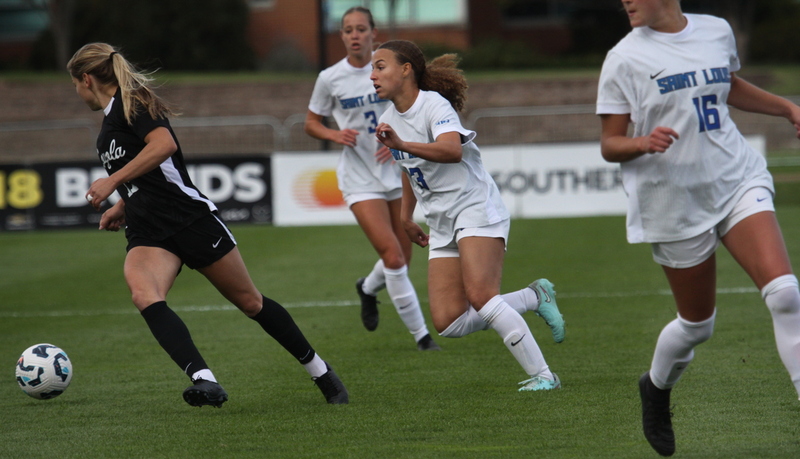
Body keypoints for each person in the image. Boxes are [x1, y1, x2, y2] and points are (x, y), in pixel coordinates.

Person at [68, 43, 349, 407]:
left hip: (188, 218)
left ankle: (321, 371)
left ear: (86, 79)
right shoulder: (107, 126)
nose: (75, 92)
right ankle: (205, 380)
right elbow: (149, 174)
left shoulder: (133, 101)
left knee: (250, 302)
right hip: (148, 229)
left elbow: (164, 145)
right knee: (144, 294)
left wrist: (111, 181)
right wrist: (123, 201)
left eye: (74, 84)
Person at [597, 0, 800, 455]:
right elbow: (610, 144)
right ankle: (656, 387)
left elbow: (725, 85)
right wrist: (641, 142)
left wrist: (786, 107)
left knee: (786, 294)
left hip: (735, 177)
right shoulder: (624, 58)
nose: (625, 1)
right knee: (697, 325)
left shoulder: (715, 30)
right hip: (672, 199)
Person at [370, 40, 566, 392]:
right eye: (372, 68)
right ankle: (534, 297)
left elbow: (451, 150)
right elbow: (408, 168)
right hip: (441, 220)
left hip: (474, 206)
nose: (372, 75)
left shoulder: (433, 105)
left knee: (482, 296)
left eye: (380, 66)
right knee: (449, 322)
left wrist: (402, 145)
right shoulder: (387, 119)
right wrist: (405, 215)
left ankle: (545, 376)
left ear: (406, 69)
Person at [304, 7, 440, 351]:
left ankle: (367, 288)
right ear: (342, 36)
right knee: (393, 257)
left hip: (396, 171)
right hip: (358, 177)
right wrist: (336, 136)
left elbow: (411, 108)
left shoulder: (390, 69)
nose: (354, 35)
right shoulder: (330, 77)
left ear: (373, 34)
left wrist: (398, 141)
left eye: (361, 29)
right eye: (348, 29)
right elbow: (311, 123)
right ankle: (423, 338)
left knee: (403, 260)